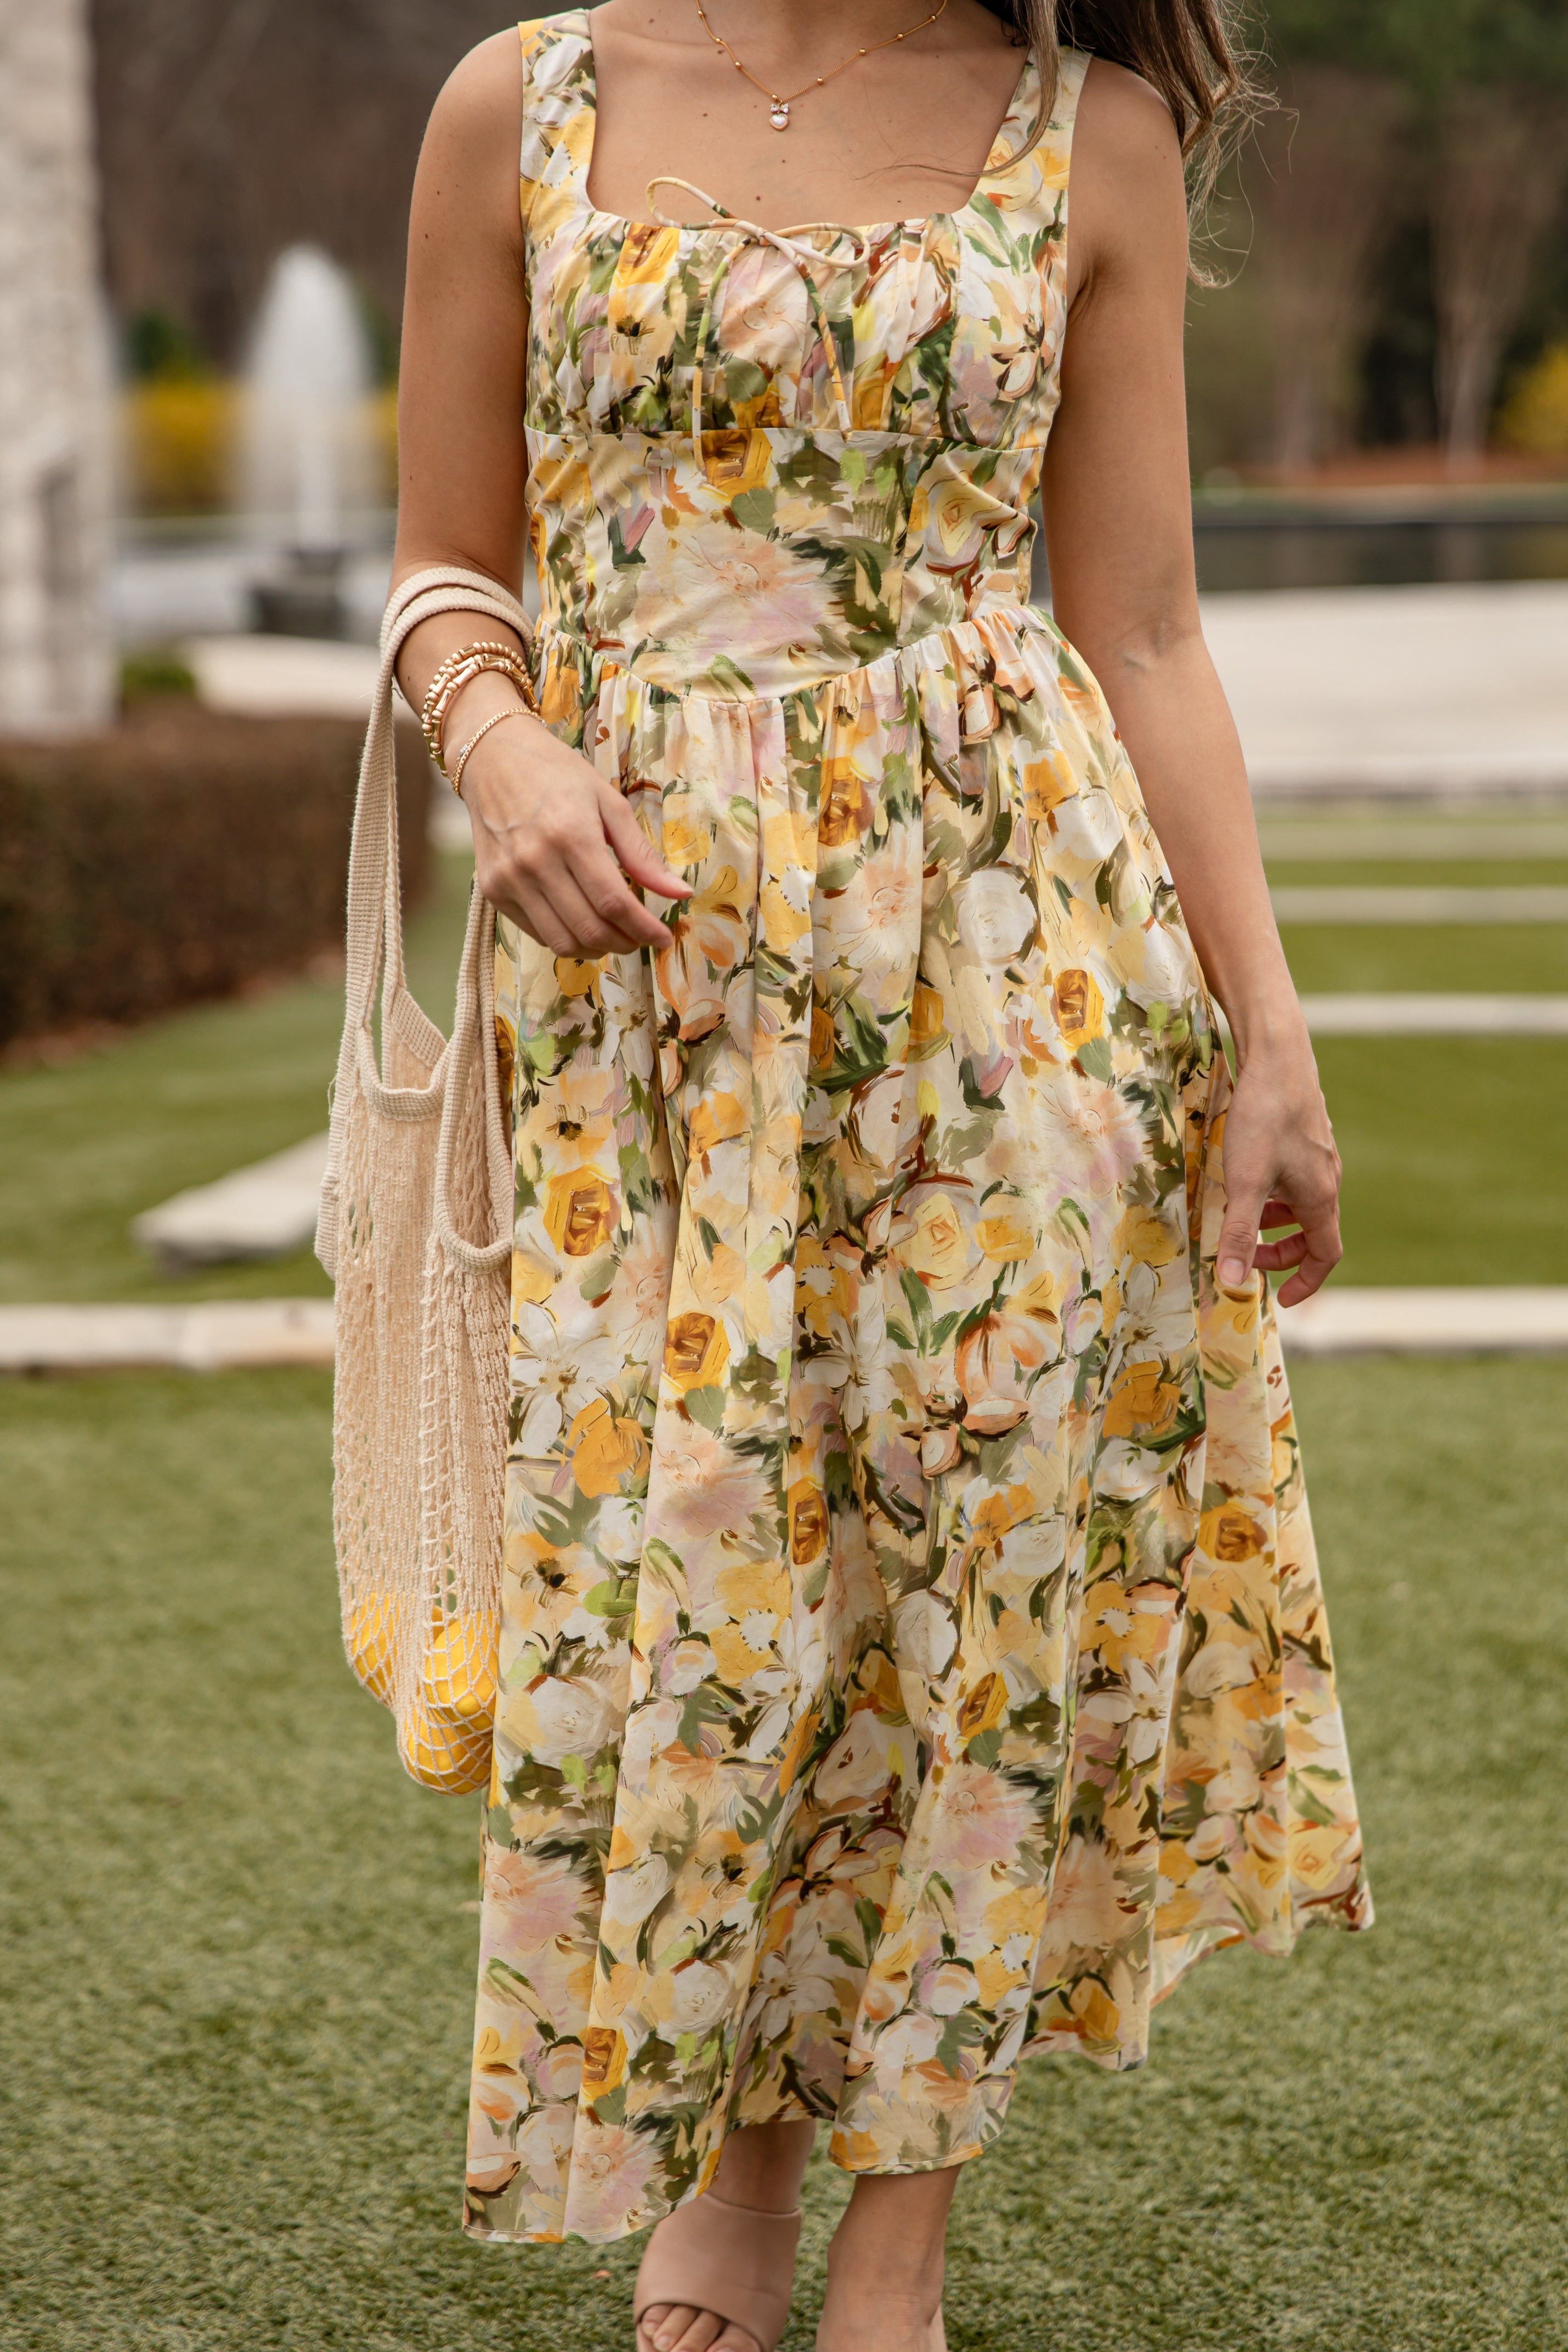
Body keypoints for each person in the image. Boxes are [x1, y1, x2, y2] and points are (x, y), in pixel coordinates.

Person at [388, 5, 1372, 2347]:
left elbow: (1139, 624)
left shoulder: (1089, 135)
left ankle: (899, 2227)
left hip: (1015, 954)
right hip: (655, 992)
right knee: (712, 1570)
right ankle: (726, 2164)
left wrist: (1269, 1036)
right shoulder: (518, 102)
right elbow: (441, 560)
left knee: (977, 1572)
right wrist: (501, 742)